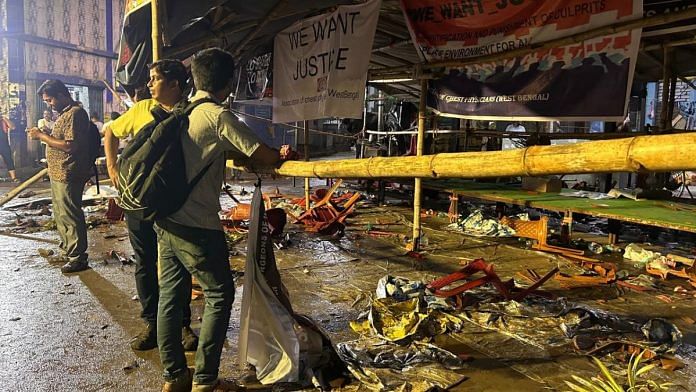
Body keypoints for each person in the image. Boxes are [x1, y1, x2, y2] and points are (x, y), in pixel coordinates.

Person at [156, 48, 285, 392]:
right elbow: (263, 155)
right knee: (219, 294)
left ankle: (174, 377)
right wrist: (279, 154)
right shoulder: (216, 116)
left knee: (170, 297)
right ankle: (205, 380)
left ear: (195, 78)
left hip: (165, 221)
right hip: (196, 225)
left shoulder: (181, 111)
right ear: (229, 81)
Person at [103, 60, 199, 352]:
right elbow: (110, 131)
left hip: (174, 204)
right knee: (145, 263)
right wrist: (112, 166)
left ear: (174, 84)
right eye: (150, 78)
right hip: (138, 201)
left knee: (178, 265)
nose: (149, 84)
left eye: (155, 78)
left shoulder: (193, 113)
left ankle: (182, 324)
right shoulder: (142, 109)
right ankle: (152, 324)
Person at [28, 80, 91, 273]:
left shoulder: (75, 113)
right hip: (58, 171)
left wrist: (41, 137)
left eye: (50, 100)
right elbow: (62, 140)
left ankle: (78, 257)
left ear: (62, 95)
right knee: (61, 214)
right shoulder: (64, 114)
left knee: (70, 214)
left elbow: (70, 145)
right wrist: (48, 133)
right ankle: (68, 249)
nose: (49, 104)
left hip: (68, 172)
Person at [0, 113, 18, 182]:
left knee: (9, 160)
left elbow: (13, 127)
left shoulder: (3, 120)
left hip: (4, 143)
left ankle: (14, 178)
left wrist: (5, 118)